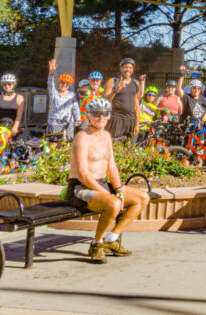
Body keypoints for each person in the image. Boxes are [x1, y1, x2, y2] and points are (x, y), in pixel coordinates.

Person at [63, 97, 149, 263]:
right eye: (96, 114)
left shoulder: (106, 136)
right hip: (81, 189)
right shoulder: (82, 137)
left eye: (104, 113)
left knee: (142, 198)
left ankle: (112, 239)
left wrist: (118, 190)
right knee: (114, 203)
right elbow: (83, 173)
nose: (101, 117)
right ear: (88, 116)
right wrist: (108, 195)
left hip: (101, 184)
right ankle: (96, 244)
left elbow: (112, 166)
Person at [102, 59, 142, 141]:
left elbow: (136, 106)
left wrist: (137, 124)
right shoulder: (113, 81)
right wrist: (116, 90)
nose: (128, 70)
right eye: (125, 67)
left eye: (130, 68)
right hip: (115, 120)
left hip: (131, 121)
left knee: (129, 149)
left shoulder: (135, 83)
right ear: (120, 68)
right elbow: (105, 100)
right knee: (113, 147)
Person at [46, 59, 80, 140]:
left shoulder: (72, 95)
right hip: (55, 122)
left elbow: (75, 108)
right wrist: (51, 73)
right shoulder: (54, 93)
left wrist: (78, 118)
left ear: (68, 86)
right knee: (53, 144)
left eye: (66, 84)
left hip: (68, 123)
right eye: (62, 83)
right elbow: (50, 84)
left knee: (67, 144)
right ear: (59, 83)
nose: (64, 85)